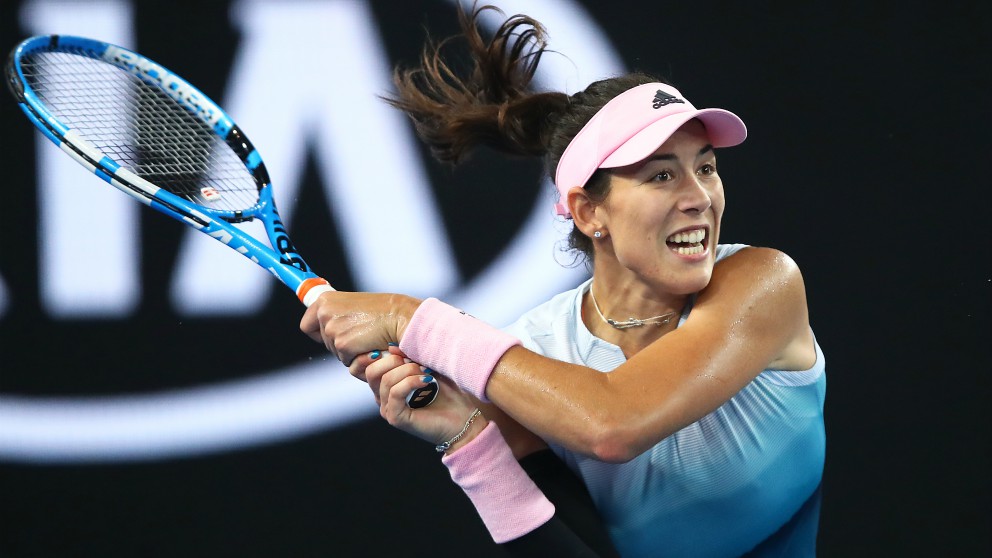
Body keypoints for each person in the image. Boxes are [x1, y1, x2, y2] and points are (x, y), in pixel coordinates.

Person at [300, 4, 826, 557]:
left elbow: (612, 424)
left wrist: (410, 318)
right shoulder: (527, 359)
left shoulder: (763, 281)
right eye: (662, 175)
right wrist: (469, 435)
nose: (699, 197)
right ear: (588, 212)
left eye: (707, 167)